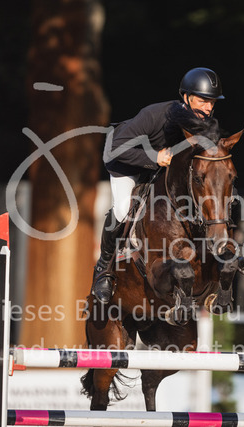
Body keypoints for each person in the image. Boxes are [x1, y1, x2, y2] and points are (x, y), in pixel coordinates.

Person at [92, 67, 225, 304]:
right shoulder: (154, 115)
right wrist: (154, 158)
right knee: (123, 209)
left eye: (212, 102)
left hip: (161, 169)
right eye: (203, 101)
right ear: (186, 97)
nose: (208, 108)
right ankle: (104, 269)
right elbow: (114, 149)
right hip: (126, 163)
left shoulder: (204, 125)